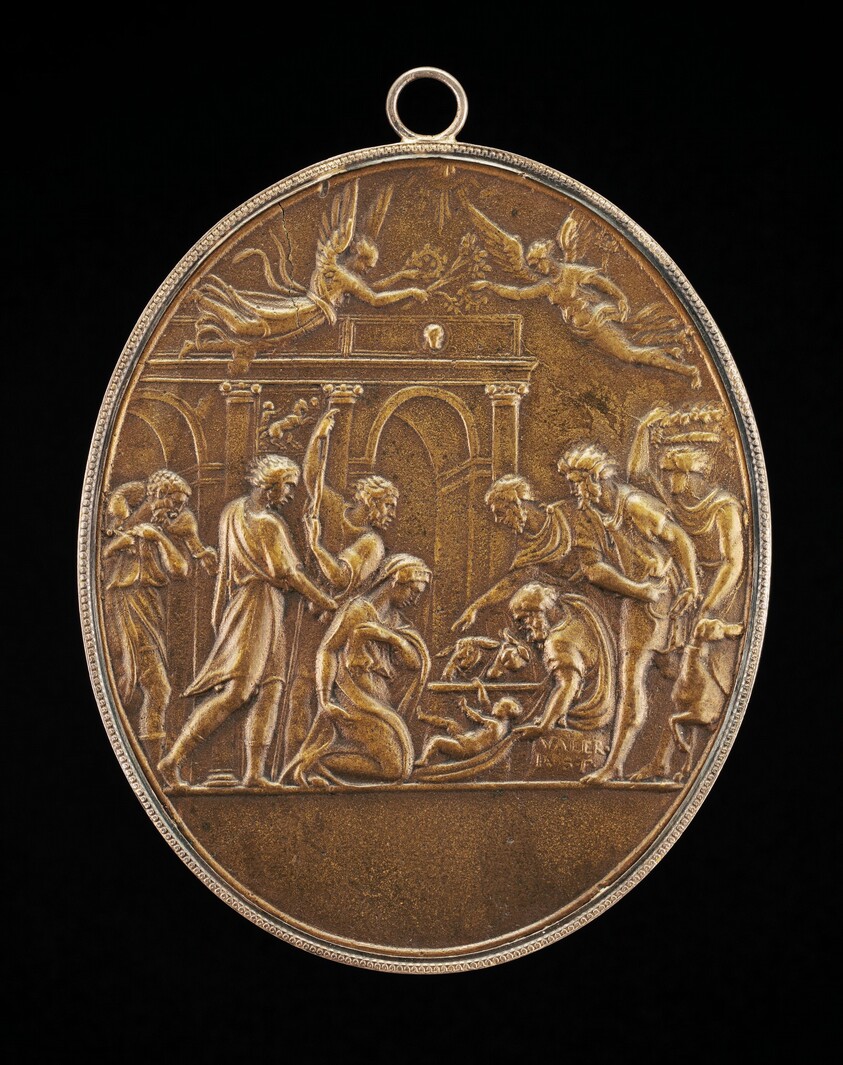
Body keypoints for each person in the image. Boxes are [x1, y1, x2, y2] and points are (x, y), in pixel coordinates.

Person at [158, 455, 336, 789]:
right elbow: (288, 573)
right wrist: (324, 600)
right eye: (288, 486)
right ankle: (173, 760)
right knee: (238, 693)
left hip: (255, 602)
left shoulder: (233, 510)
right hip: (257, 606)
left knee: (271, 688)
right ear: (271, 485)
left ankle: (255, 773)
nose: (290, 494)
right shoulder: (268, 523)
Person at [557, 445, 699, 783]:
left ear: (597, 478)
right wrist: (636, 590)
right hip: (640, 597)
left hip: (662, 596)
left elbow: (679, 539)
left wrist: (692, 586)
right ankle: (637, 762)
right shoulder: (587, 515)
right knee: (656, 675)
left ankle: (623, 763)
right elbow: (593, 569)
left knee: (651, 676)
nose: (575, 490)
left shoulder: (634, 504)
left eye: (578, 482)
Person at [460, 196, 700, 387]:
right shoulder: (547, 285)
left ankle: (687, 370)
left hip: (596, 322)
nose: (537, 268)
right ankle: (671, 353)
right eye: (534, 266)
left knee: (629, 355)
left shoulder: (571, 273)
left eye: (537, 263)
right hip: (583, 332)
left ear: (547, 258)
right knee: (628, 353)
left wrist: (620, 298)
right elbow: (519, 293)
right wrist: (489, 286)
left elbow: (600, 282)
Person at [631, 443, 745, 780]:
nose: (668, 481)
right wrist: (643, 431)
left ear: (691, 474)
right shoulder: (676, 503)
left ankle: (677, 761)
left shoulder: (724, 507)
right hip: (686, 594)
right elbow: (637, 473)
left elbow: (733, 562)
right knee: (674, 680)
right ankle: (663, 761)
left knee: (695, 686)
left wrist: (707, 607)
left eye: (673, 474)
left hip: (719, 596)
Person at [284, 554, 431, 787]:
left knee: (400, 767)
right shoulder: (358, 609)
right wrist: (325, 698)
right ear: (396, 581)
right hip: (352, 698)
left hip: (378, 698)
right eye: (413, 591)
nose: (414, 600)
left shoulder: (395, 620)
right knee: (396, 768)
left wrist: (387, 635)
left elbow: (414, 663)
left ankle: (317, 764)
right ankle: (311, 764)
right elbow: (328, 650)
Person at [452, 474, 664, 633]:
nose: (498, 520)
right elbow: (512, 582)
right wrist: (476, 607)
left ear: (517, 504)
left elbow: (593, 569)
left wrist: (639, 591)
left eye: (500, 512)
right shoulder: (528, 544)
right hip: (574, 610)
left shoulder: (571, 515)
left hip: (612, 597)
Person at [103, 470, 217, 761]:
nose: (177, 509)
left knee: (149, 685)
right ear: (158, 495)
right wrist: (121, 542)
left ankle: (151, 762)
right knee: (155, 687)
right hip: (125, 604)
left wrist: (159, 538)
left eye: (182, 504)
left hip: (150, 606)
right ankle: (153, 763)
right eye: (174, 502)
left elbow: (180, 569)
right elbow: (102, 556)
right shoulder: (125, 513)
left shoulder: (168, 526)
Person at [507, 582, 616, 738]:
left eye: (523, 620)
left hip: (585, 719)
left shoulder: (557, 642)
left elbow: (568, 685)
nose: (523, 628)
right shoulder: (575, 614)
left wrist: (544, 726)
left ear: (536, 614)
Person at [415, 679, 521, 766]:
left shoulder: (495, 724)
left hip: (466, 748)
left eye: (500, 705)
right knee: (450, 723)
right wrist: (480, 687)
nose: (496, 704)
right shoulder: (503, 725)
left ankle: (424, 760)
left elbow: (477, 717)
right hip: (467, 742)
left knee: (437, 740)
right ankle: (423, 717)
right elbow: (485, 702)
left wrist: (465, 707)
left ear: (505, 712)